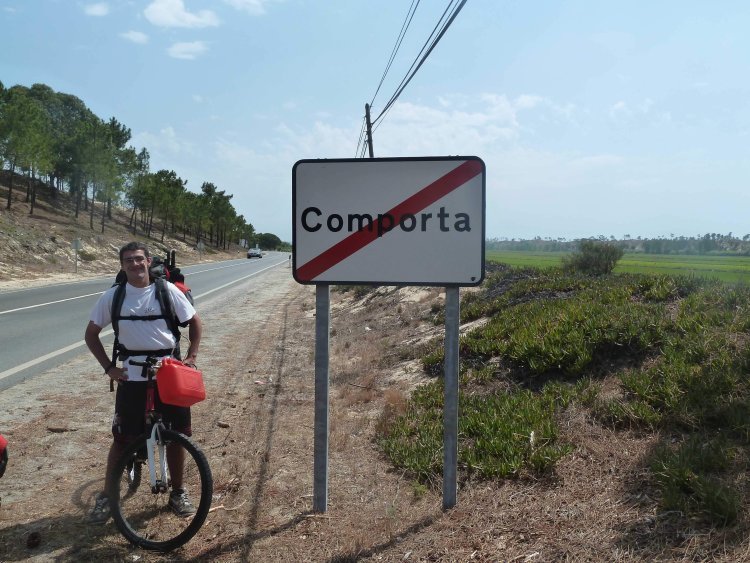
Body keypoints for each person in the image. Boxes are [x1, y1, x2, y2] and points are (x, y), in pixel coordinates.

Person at [84, 241, 202, 524]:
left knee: (177, 436)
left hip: (169, 373)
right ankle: (107, 496)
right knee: (122, 439)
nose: (135, 265)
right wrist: (109, 368)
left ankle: (178, 492)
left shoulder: (166, 290)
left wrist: (190, 358)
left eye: (139, 259)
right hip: (131, 376)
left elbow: (195, 322)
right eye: (128, 261)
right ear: (122, 265)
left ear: (149, 261)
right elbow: (91, 334)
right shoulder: (114, 296)